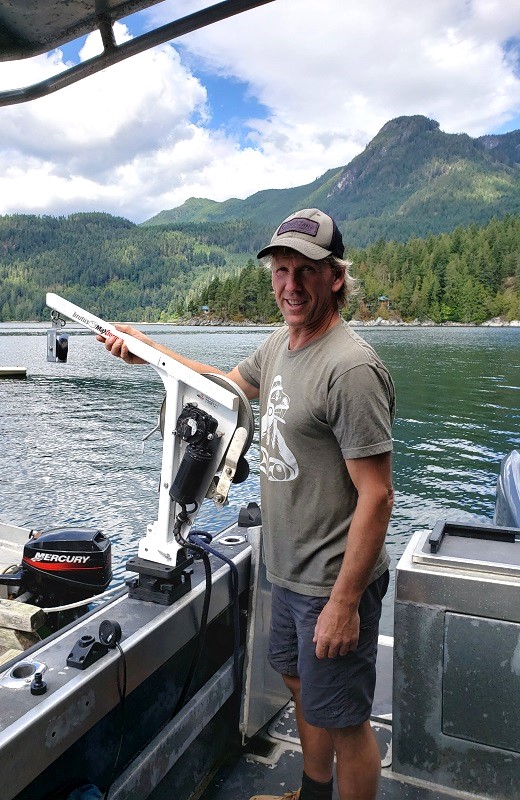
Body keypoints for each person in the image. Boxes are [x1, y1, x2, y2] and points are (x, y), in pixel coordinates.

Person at [98, 208, 395, 800]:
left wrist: (343, 604)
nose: (290, 285)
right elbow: (221, 385)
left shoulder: (352, 368)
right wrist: (149, 353)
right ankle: (311, 793)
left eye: (305, 272)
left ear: (334, 277)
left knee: (346, 722)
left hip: (330, 582)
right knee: (299, 685)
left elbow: (378, 495)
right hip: (285, 569)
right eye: (281, 271)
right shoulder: (281, 346)